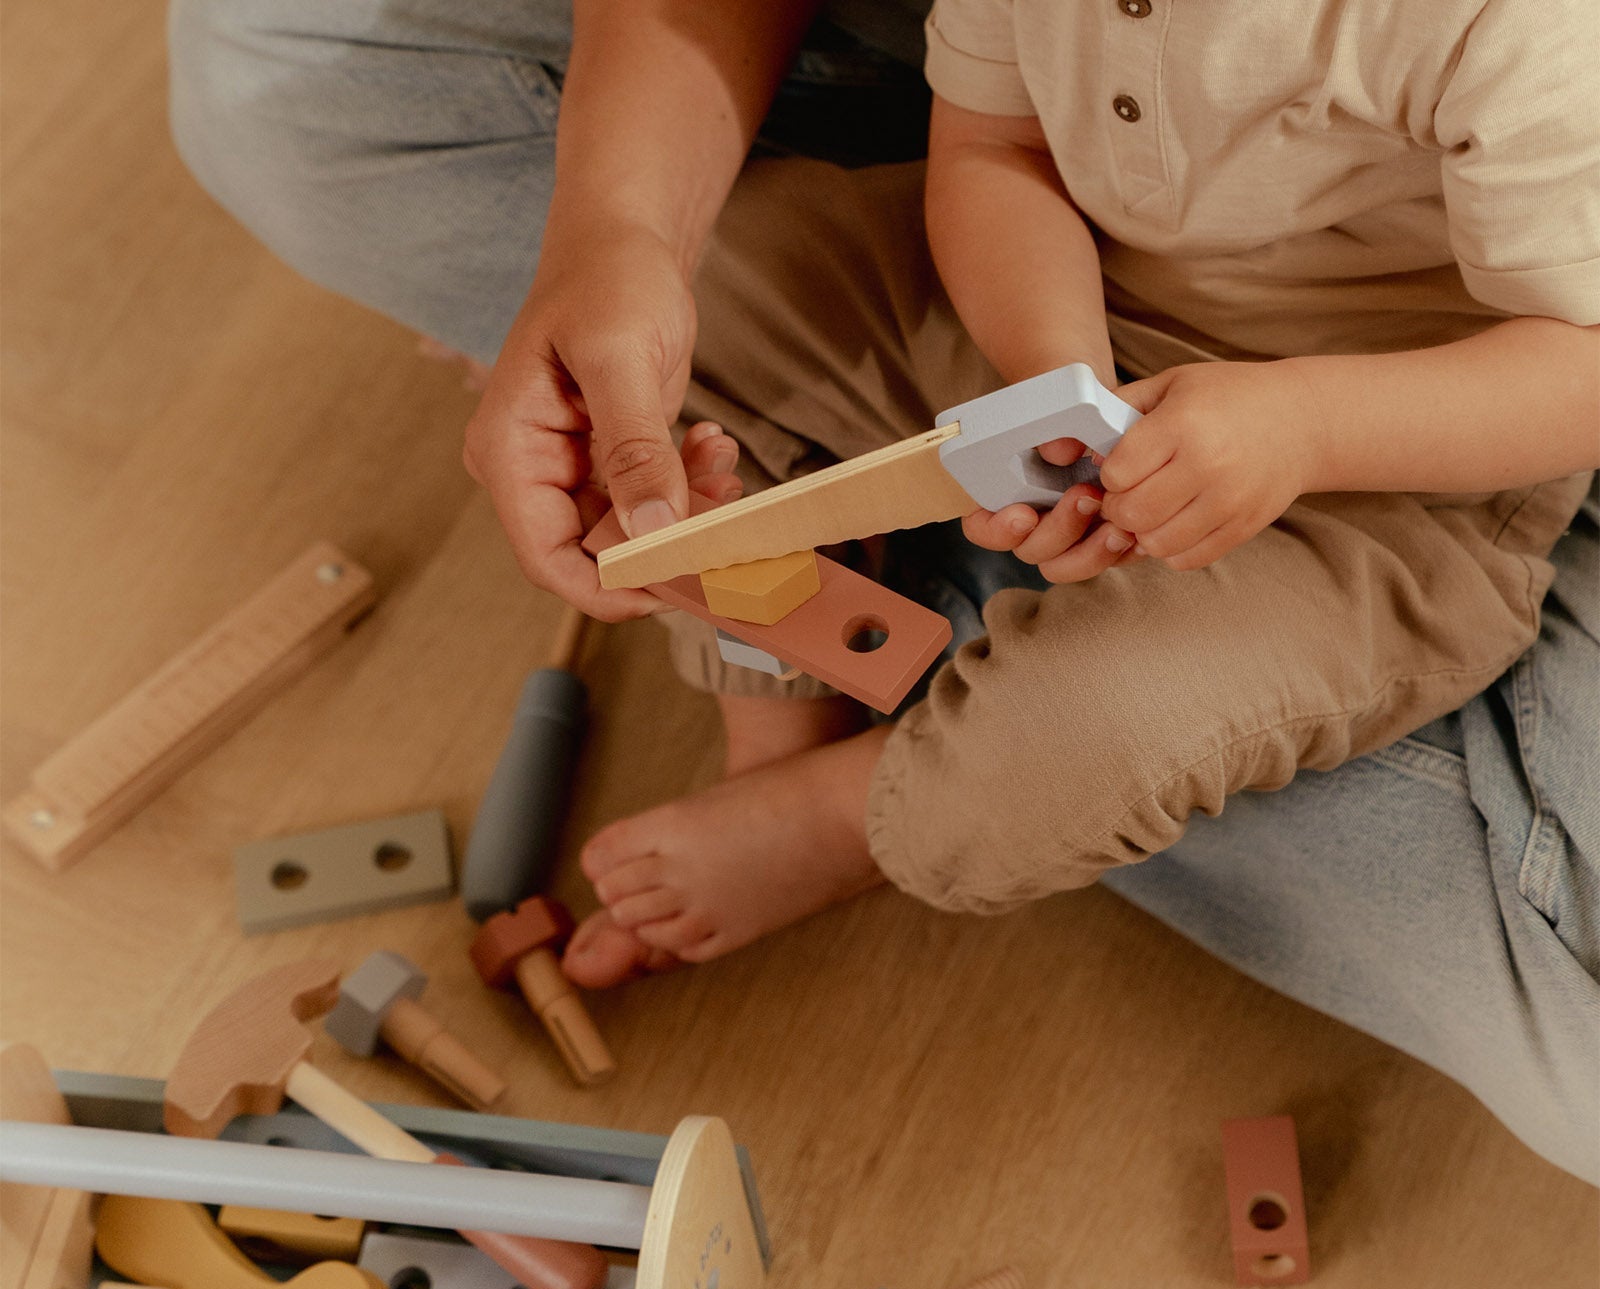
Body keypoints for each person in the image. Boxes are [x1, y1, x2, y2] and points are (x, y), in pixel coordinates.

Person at [166, 1, 1598, 1183]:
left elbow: (1577, 365)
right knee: (659, 342)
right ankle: (787, 692)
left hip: (1391, 485)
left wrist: (1299, 431)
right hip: (1084, 307)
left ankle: (863, 808)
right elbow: (991, 149)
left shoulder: (1515, 31)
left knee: (1063, 751)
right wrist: (1054, 378)